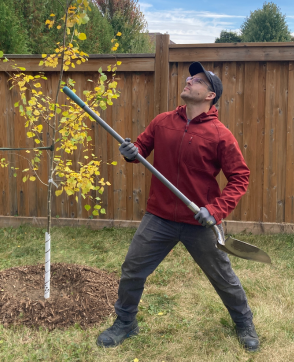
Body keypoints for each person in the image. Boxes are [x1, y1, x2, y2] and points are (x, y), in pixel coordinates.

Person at [96, 61, 260, 352]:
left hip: (200, 221)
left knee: (223, 278)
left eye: (197, 81)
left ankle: (244, 322)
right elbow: (139, 151)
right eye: (189, 77)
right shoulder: (163, 122)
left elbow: (240, 177)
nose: (188, 82)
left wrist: (216, 209)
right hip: (159, 217)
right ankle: (125, 322)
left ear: (210, 95)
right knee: (133, 269)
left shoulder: (220, 135)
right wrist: (130, 151)